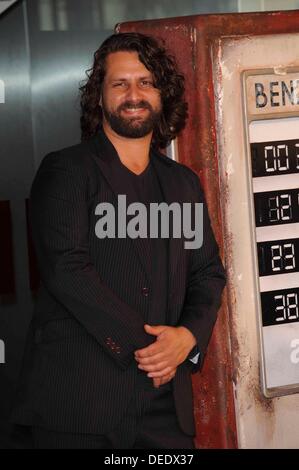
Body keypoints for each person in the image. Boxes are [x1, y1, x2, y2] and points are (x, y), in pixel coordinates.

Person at [10, 32, 226, 449]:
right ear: (100, 96)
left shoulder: (182, 184)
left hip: (165, 412)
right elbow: (68, 270)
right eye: (120, 83)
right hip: (80, 407)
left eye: (146, 82)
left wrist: (186, 338)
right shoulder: (66, 172)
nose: (134, 94)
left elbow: (208, 273)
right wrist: (151, 349)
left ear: (162, 94)